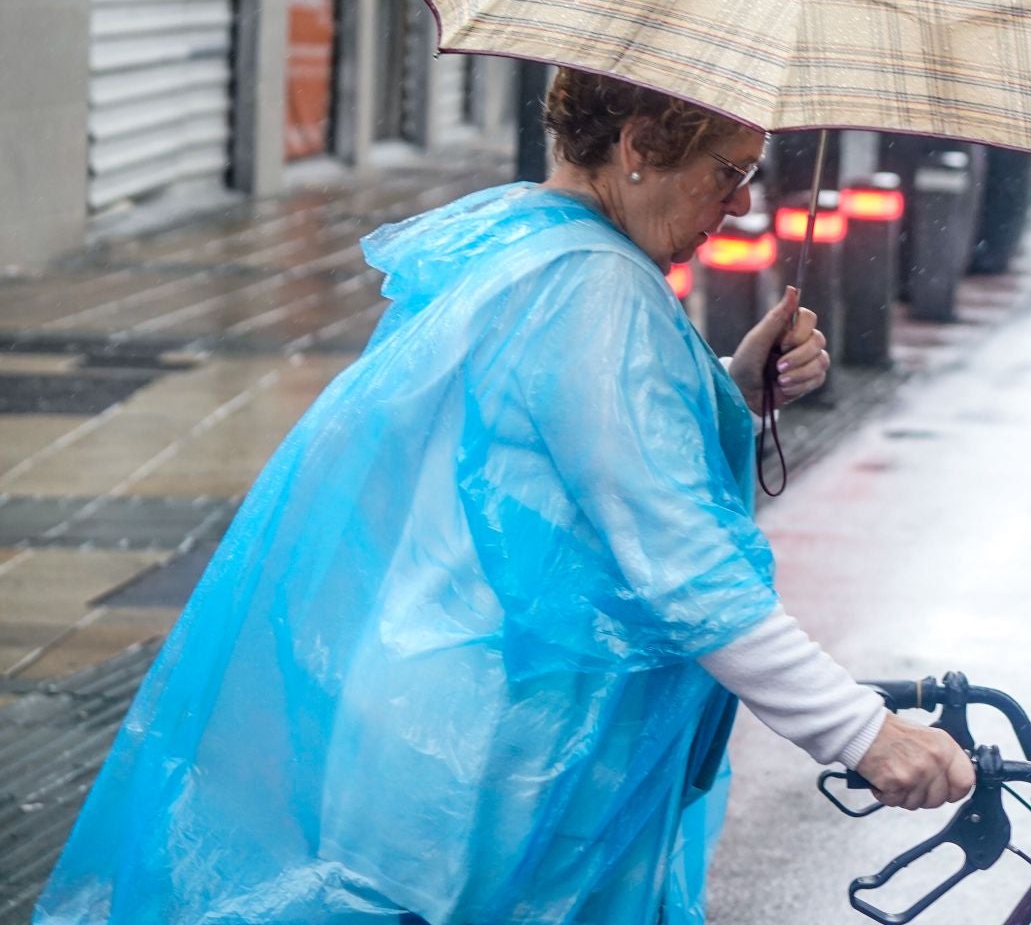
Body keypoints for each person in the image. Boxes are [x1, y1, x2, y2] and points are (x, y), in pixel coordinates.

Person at [34, 71, 973, 925]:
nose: (740, 204)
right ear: (640, 145)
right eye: (727, 172)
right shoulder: (595, 289)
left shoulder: (526, 238)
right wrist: (858, 730)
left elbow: (558, 453)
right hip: (488, 758)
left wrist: (725, 385)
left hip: (436, 715)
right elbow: (682, 557)